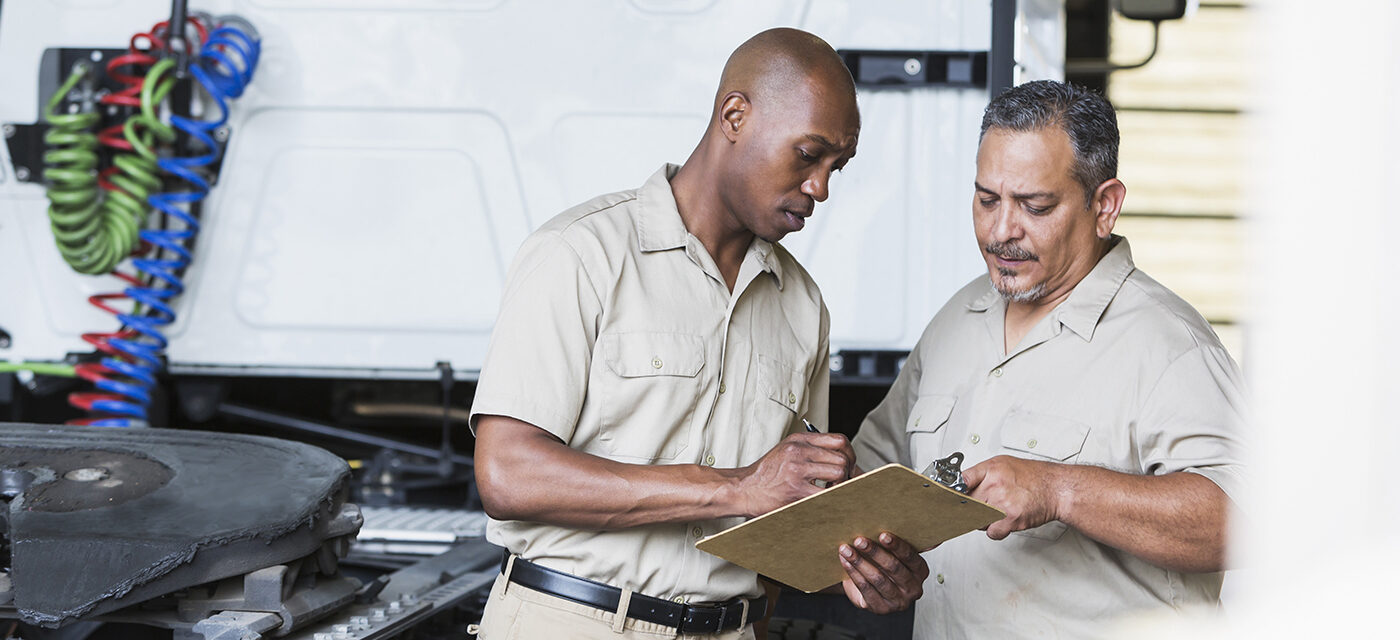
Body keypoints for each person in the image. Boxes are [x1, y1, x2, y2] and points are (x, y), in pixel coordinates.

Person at [469, 28, 928, 640]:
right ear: (734, 116)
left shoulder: (804, 306)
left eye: (835, 167)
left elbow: (779, 523)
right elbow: (508, 475)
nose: (820, 187)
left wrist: (863, 566)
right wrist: (735, 488)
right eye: (807, 155)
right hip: (571, 620)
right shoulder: (580, 255)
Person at [851, 80, 1247, 638]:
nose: (1000, 231)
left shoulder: (1169, 346)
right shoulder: (956, 320)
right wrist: (872, 559)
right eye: (987, 200)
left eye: (1035, 206)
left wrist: (1062, 490)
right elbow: (876, 477)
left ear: (1103, 206)